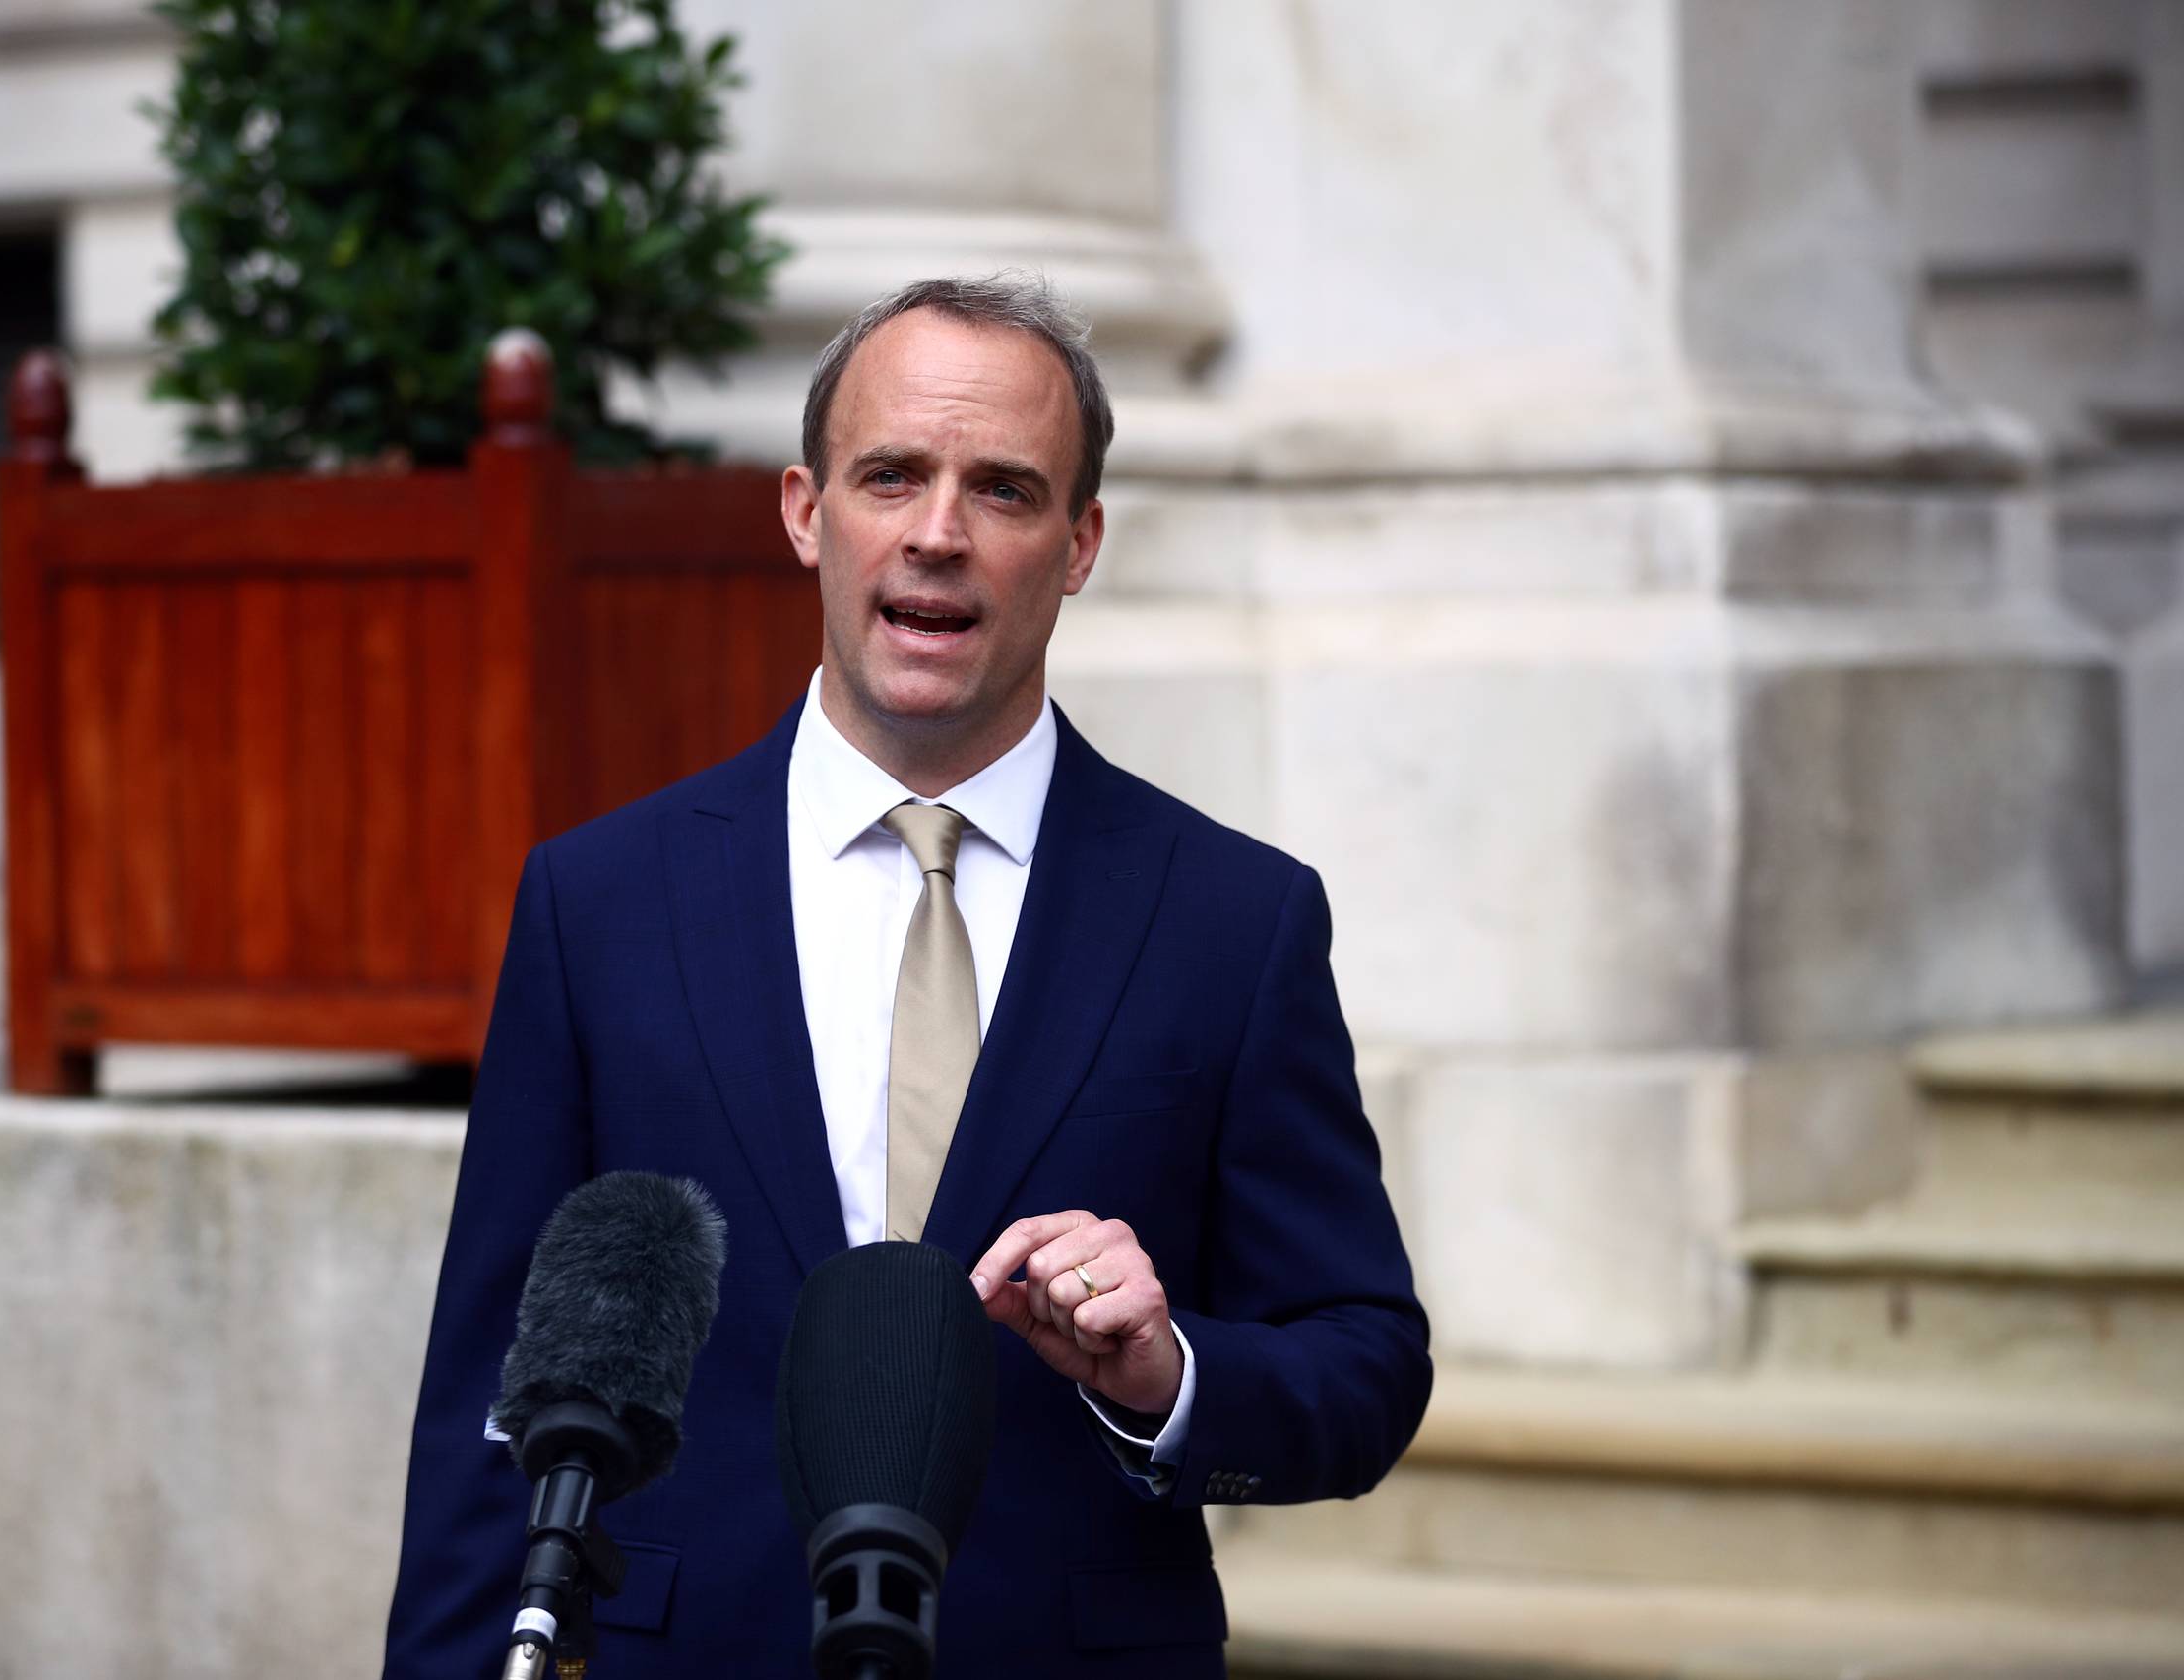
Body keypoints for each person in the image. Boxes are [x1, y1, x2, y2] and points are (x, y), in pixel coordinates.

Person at [384, 274, 1430, 1679]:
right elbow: (488, 1407)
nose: (939, 534)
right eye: (892, 476)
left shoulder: (1231, 922)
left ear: (1079, 543)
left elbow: (1364, 1369)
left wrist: (1168, 1375)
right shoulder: (602, 901)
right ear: (808, 513)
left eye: (1004, 489)